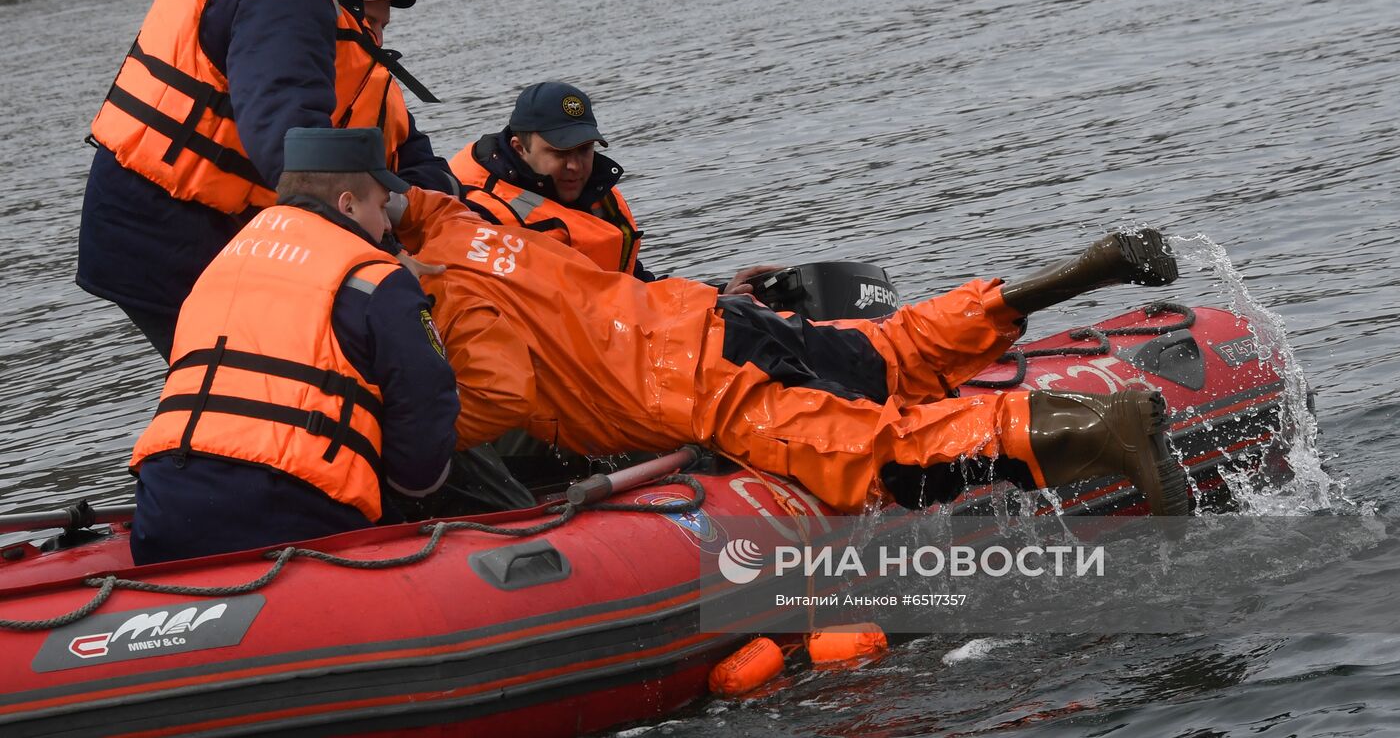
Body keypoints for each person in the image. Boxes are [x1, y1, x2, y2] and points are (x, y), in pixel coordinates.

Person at [392, 187, 1190, 516]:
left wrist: (409, 444)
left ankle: (1106, 425)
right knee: (890, 351)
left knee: (879, 455)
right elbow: (408, 197)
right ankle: (1065, 276)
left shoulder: (452, 290)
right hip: (712, 317)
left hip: (695, 382)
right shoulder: (458, 222)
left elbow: (498, 396)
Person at [78, 0, 458, 362]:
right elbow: (289, 143)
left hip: (184, 219)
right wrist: (387, 257)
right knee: (264, 382)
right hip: (166, 230)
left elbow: (383, 139)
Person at [127, 128, 458, 565]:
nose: (385, 227)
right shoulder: (378, 279)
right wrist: (417, 500)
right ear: (348, 205)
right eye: (381, 208)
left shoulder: (223, 262)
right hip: (292, 515)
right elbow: (425, 405)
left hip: (162, 512)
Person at [449, 81, 774, 292]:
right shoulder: (475, 213)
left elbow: (637, 284)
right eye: (560, 153)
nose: (575, 166)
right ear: (520, 148)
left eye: (585, 150)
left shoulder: (596, 194)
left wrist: (718, 294)